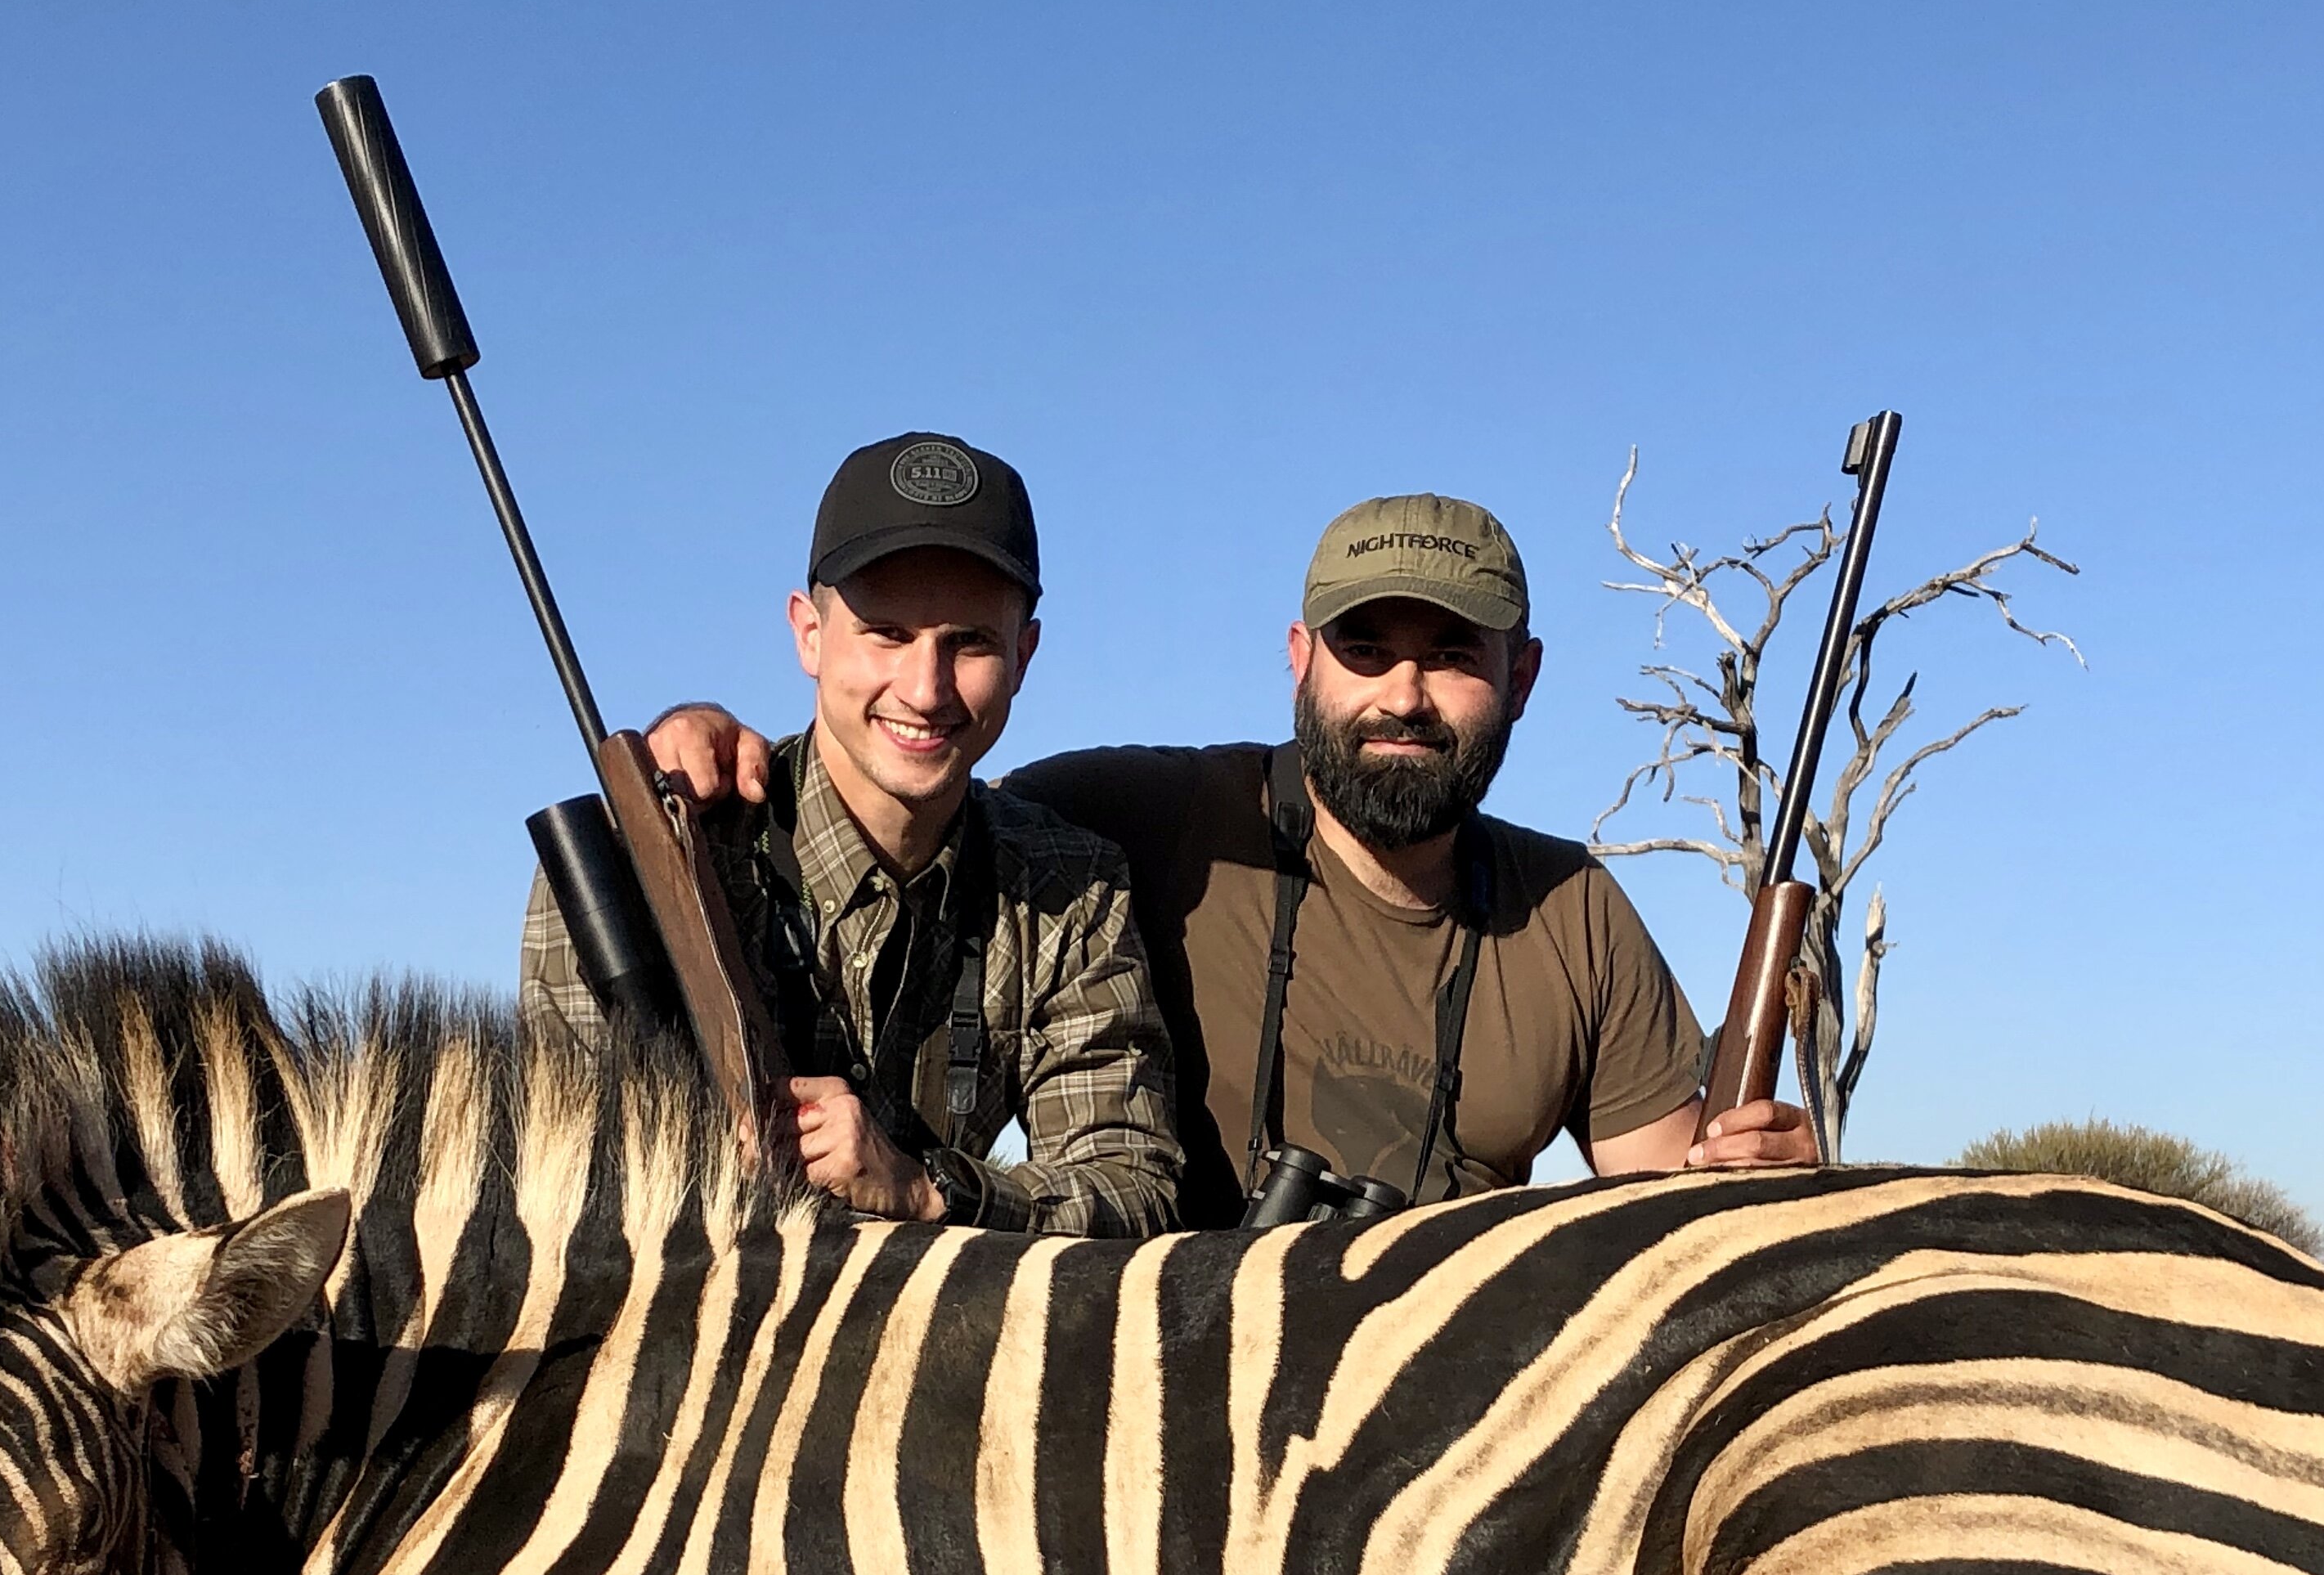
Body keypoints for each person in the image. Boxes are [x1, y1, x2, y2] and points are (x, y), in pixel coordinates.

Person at [644, 492, 1812, 1227]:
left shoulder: (1576, 914)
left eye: (1451, 656)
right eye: (1365, 649)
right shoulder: (1123, 819)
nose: (1403, 696)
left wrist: (1756, 1181)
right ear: (1301, 659)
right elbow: (906, 773)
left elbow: (1673, 1193)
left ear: (1521, 679)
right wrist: (717, 742)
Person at [523, 432, 1182, 1234]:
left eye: (969, 642)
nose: (926, 688)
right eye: (887, 634)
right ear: (808, 633)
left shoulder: (1071, 889)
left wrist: (925, 1188)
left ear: (1024, 653)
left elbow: (1135, 1188)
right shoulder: (640, 867)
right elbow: (554, 1176)